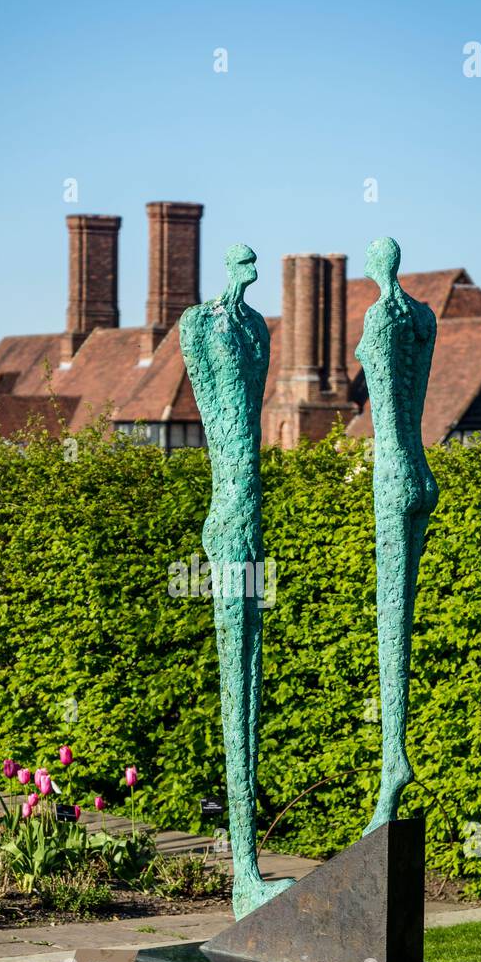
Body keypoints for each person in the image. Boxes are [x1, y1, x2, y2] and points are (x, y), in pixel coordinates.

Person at [180, 244, 296, 918]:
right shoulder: (199, 324)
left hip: (251, 515)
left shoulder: (258, 329)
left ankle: (248, 869)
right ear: (228, 266)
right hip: (228, 519)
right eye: (242, 261)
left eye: (256, 263)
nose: (251, 269)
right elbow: (206, 396)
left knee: (249, 681)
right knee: (236, 681)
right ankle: (242, 870)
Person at [355, 237, 438, 835]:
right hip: (423, 473)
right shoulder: (424, 316)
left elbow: (380, 390)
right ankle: (395, 757)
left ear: (373, 269)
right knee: (401, 618)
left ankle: (393, 763)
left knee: (391, 621)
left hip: (390, 474)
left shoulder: (379, 315)